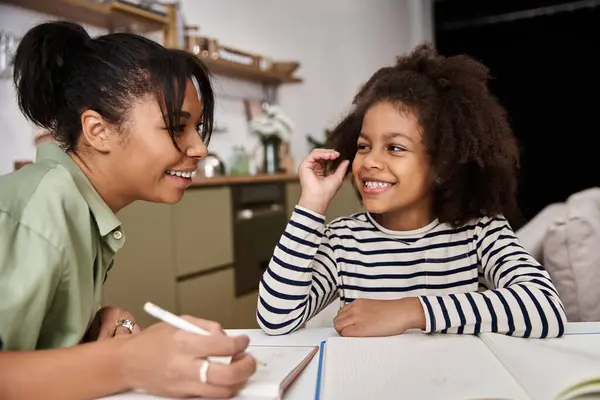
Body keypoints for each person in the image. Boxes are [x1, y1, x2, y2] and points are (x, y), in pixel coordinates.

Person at [0, 21, 256, 399]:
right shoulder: (40, 210)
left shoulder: (78, 206)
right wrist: (126, 360)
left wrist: (92, 327)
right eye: (177, 127)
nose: (200, 148)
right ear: (98, 130)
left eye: (198, 128)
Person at [257, 43, 567, 339]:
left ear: (442, 164)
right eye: (364, 146)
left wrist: (412, 310)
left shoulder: (480, 231)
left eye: (394, 147)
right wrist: (311, 204)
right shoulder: (343, 241)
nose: (370, 161)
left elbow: (546, 309)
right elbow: (275, 319)